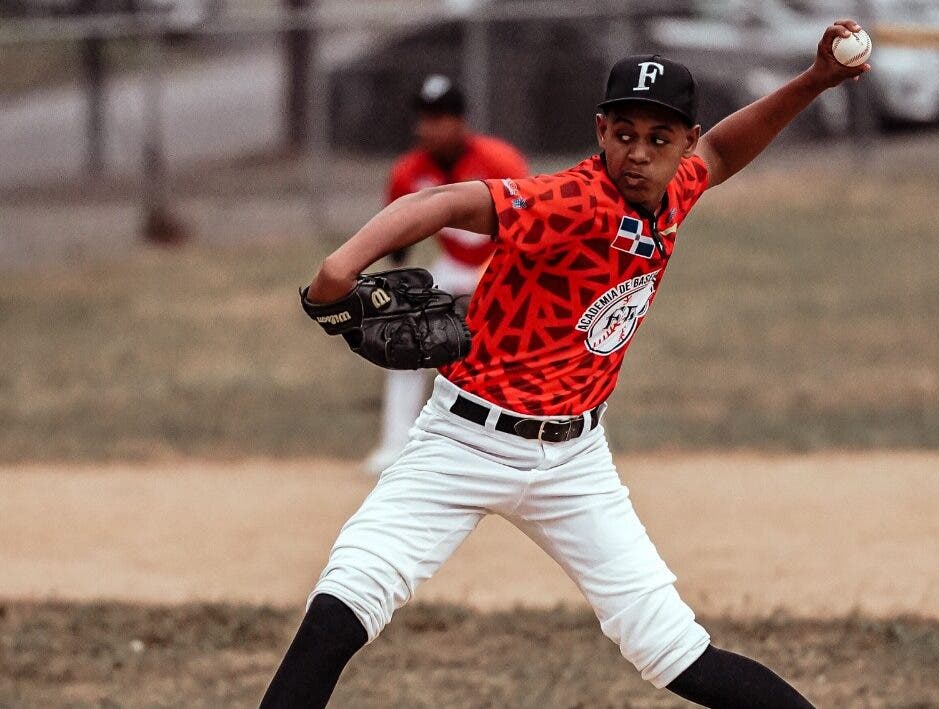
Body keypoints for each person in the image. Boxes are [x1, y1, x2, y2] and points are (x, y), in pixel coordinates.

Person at [264, 20, 870, 708]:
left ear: (684, 144)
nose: (638, 153)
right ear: (600, 130)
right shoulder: (569, 201)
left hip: (576, 462)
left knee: (675, 652)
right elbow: (440, 202)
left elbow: (729, 147)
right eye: (624, 133)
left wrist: (816, 80)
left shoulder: (676, 190)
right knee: (342, 605)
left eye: (659, 138)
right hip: (463, 439)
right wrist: (338, 269)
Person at [363, 74, 530, 475]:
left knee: (528, 345)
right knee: (404, 336)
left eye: (441, 117)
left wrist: (491, 280)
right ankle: (395, 445)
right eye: (425, 117)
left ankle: (544, 440)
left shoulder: (498, 160)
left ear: (461, 122)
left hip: (502, 262)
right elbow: (398, 247)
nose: (431, 127)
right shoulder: (407, 172)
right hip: (453, 264)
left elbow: (527, 227)